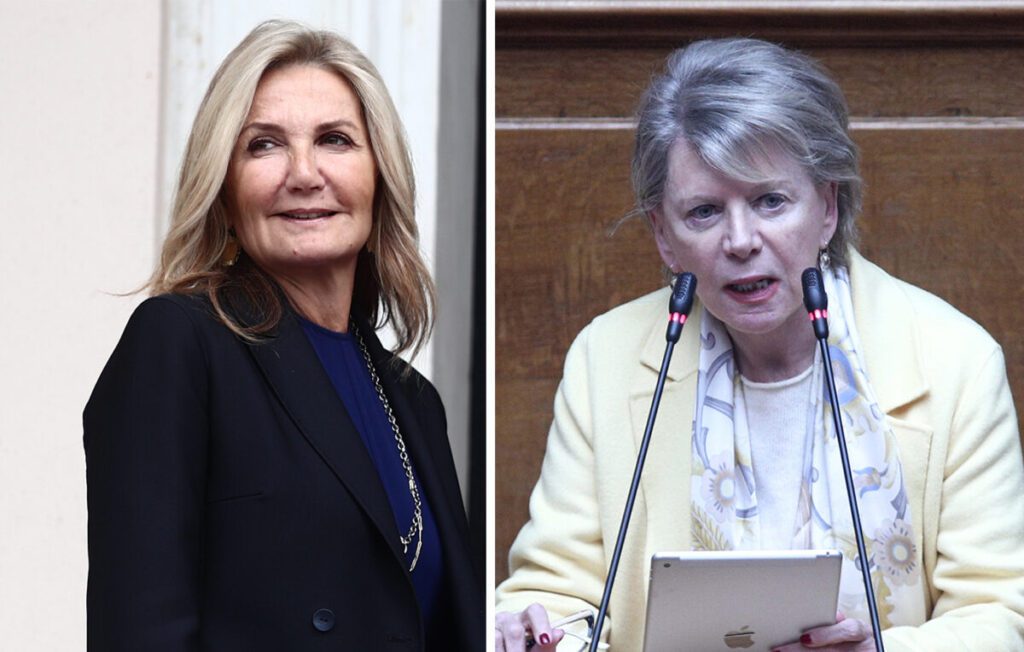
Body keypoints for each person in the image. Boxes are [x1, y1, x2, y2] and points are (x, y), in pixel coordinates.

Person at [495, 38, 1024, 651]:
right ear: (663, 235)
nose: (741, 240)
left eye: (770, 201)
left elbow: (1000, 613)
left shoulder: (955, 361)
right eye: (703, 212)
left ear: (827, 208)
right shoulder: (605, 360)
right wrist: (536, 631)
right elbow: (557, 592)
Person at [84, 20, 480, 651]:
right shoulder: (178, 344)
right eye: (264, 145)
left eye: (335, 140)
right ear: (223, 192)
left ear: (380, 178)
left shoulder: (416, 402)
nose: (304, 173)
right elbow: (139, 630)